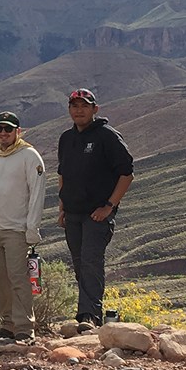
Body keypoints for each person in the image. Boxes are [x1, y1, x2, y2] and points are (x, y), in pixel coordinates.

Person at [57, 88, 134, 329]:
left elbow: (127, 173)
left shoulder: (107, 136)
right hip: (72, 213)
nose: (79, 110)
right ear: (69, 109)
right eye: (75, 106)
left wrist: (110, 206)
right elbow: (62, 174)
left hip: (97, 214)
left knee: (91, 260)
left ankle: (88, 317)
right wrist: (62, 207)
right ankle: (91, 314)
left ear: (95, 109)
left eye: (84, 106)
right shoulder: (66, 138)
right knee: (80, 264)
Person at [0, 112, 47, 342]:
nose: (3, 134)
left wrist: (32, 228)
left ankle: (25, 327)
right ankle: (7, 324)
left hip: (16, 229)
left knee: (18, 278)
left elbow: (37, 194)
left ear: (19, 131)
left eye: (8, 129)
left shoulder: (29, 155)